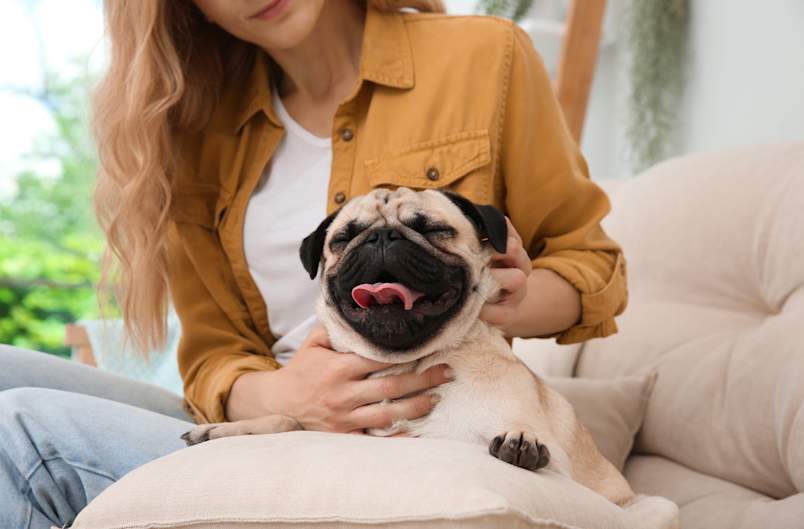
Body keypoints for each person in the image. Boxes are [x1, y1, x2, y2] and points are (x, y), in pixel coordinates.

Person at [0, 0, 628, 527]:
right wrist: (286, 396)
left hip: (404, 431)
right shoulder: (199, 131)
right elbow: (214, 354)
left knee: (19, 427)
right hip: (268, 420)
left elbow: (588, 262)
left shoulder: (484, 58)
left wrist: (511, 295)